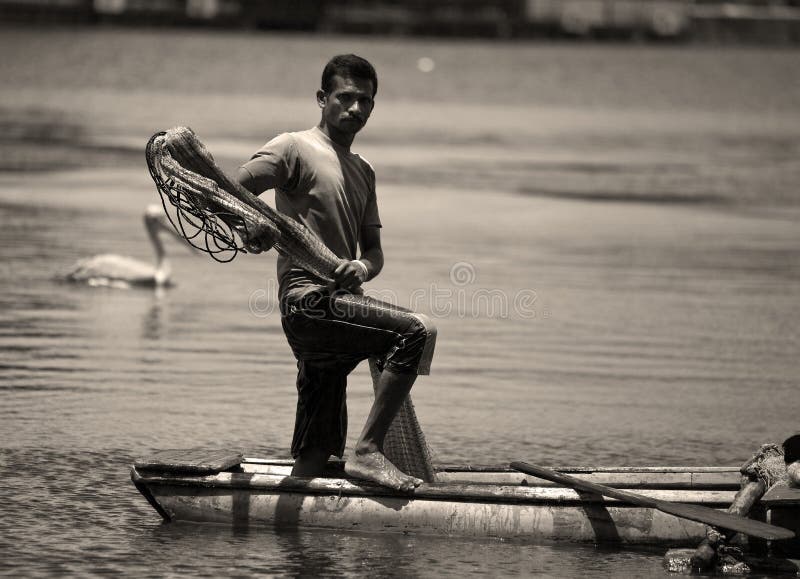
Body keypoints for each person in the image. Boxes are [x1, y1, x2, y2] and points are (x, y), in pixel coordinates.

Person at [236, 54, 436, 492]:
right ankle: (368, 453)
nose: (356, 109)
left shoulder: (364, 171)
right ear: (322, 98)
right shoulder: (292, 147)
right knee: (415, 332)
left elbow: (376, 253)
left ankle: (296, 520)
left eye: (366, 101)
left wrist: (361, 266)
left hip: (342, 306)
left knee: (317, 451)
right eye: (345, 97)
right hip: (307, 303)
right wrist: (250, 223)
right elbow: (234, 189)